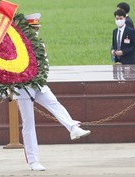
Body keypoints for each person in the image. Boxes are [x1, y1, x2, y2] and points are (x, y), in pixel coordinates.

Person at [15, 13, 91, 171]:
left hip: (39, 84)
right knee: (29, 123)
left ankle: (73, 128)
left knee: (55, 103)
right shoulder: (17, 45)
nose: (36, 32)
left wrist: (40, 79)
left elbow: (45, 64)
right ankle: (33, 160)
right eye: (33, 28)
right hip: (23, 88)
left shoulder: (40, 45)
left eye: (37, 28)